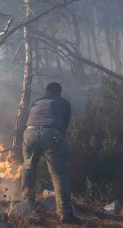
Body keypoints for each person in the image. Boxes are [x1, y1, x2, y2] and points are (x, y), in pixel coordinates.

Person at [22, 82, 77, 223]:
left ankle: (27, 203)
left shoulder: (37, 102)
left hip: (29, 133)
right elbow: (64, 125)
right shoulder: (64, 103)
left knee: (28, 166)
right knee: (58, 174)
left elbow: (29, 119)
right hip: (52, 133)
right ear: (59, 92)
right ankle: (64, 213)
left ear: (46, 92)